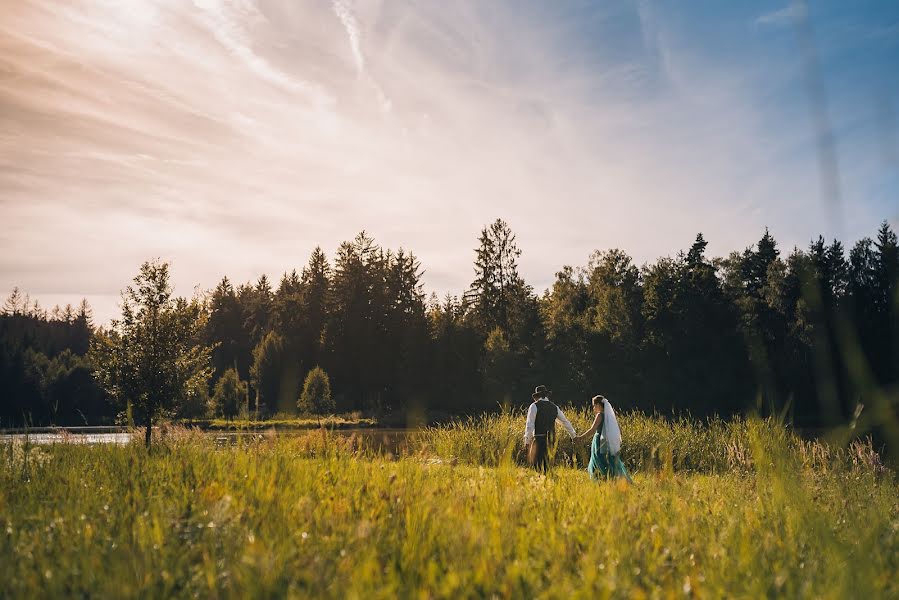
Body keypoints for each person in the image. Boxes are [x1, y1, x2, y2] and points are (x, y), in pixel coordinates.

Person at [575, 395, 633, 483]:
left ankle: (601, 479)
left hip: (599, 441)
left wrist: (580, 438)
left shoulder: (599, 415)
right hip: (607, 441)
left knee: (598, 460)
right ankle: (613, 479)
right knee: (608, 460)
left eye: (594, 405)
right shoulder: (609, 416)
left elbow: (592, 430)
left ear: (598, 405)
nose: (593, 408)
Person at [523, 385, 576, 473]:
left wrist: (527, 441)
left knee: (537, 465)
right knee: (547, 465)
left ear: (537, 396)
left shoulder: (534, 406)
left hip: (539, 439)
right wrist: (573, 435)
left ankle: (541, 482)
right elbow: (565, 422)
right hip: (551, 440)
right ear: (546, 395)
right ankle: (548, 481)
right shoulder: (554, 407)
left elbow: (530, 425)